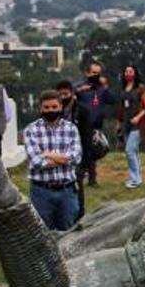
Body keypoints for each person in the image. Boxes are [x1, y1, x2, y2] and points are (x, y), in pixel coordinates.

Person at [24, 89, 83, 232]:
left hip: (67, 191)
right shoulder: (31, 130)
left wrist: (47, 154)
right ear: (41, 108)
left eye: (54, 107)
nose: (51, 110)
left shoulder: (71, 129)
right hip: (42, 192)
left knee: (69, 234)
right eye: (47, 108)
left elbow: (76, 157)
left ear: (61, 107)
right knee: (43, 236)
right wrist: (63, 158)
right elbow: (36, 162)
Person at [74, 61, 115, 190]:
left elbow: (112, 99)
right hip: (81, 124)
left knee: (97, 150)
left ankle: (89, 176)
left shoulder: (102, 89)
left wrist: (105, 86)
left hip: (96, 124)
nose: (95, 76)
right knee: (84, 151)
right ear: (87, 73)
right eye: (93, 73)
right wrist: (79, 91)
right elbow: (68, 96)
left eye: (98, 74)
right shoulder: (80, 87)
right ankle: (86, 176)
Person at [117, 65, 145, 189]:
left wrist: (138, 117)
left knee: (129, 150)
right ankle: (136, 177)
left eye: (130, 71)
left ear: (135, 73)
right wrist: (119, 123)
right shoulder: (123, 89)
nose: (127, 73)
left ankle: (135, 179)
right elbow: (121, 108)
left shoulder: (141, 88)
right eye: (126, 71)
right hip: (126, 123)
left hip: (138, 123)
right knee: (134, 152)